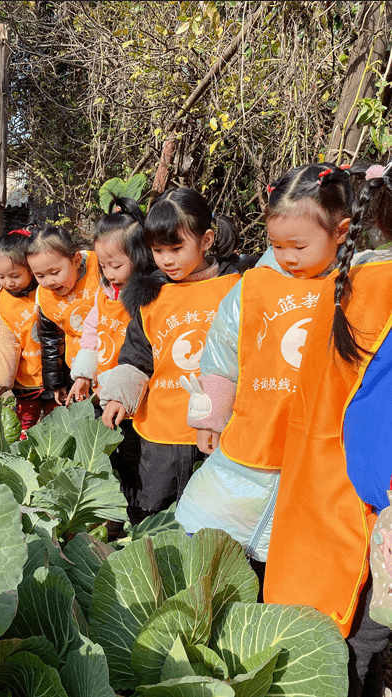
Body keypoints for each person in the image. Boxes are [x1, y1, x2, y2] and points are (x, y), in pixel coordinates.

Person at [174, 164, 352, 572]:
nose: (287, 256)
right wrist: (212, 417)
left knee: (299, 546)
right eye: (277, 244)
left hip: (322, 443)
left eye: (299, 246)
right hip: (253, 432)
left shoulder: (357, 284)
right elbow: (221, 354)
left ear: (340, 231)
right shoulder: (252, 286)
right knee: (215, 525)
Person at [264, 161, 392, 697]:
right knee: (357, 645)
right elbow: (375, 420)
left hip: (317, 497)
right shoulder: (380, 290)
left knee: (328, 643)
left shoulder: (348, 282)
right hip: (364, 507)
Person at [99, 187, 243, 521]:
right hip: (161, 429)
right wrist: (120, 396)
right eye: (158, 250)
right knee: (157, 513)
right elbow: (136, 355)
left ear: (206, 240)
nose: (166, 259)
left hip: (221, 426)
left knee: (213, 514)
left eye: (176, 248)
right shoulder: (151, 296)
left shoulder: (236, 288)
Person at [66, 196, 155, 523]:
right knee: (107, 455)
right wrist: (83, 374)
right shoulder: (105, 291)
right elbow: (92, 330)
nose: (108, 273)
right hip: (104, 389)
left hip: (137, 399)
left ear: (141, 256)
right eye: (103, 266)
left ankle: (135, 519)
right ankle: (111, 518)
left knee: (134, 460)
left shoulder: (149, 295)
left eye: (115, 265)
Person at [0, 229, 55, 436]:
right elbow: (8, 342)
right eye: (1, 277)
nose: (8, 283)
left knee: (58, 426)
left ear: (31, 268)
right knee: (25, 427)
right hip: (26, 379)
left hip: (57, 375)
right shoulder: (3, 301)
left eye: (15, 275)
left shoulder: (47, 290)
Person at [26, 226, 100, 405]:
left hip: (110, 358)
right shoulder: (44, 298)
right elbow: (51, 341)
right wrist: (56, 383)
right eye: (40, 275)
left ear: (75, 260)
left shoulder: (99, 267)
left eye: (55, 272)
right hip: (76, 368)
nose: (49, 281)